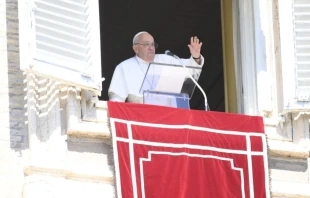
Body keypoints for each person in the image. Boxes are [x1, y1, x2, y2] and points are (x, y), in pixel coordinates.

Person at [108, 31, 204, 103]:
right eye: (146, 44)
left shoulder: (166, 60)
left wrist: (196, 57)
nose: (151, 48)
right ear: (136, 48)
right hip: (139, 116)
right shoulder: (124, 67)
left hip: (168, 114)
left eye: (153, 44)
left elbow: (190, 71)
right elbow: (116, 99)